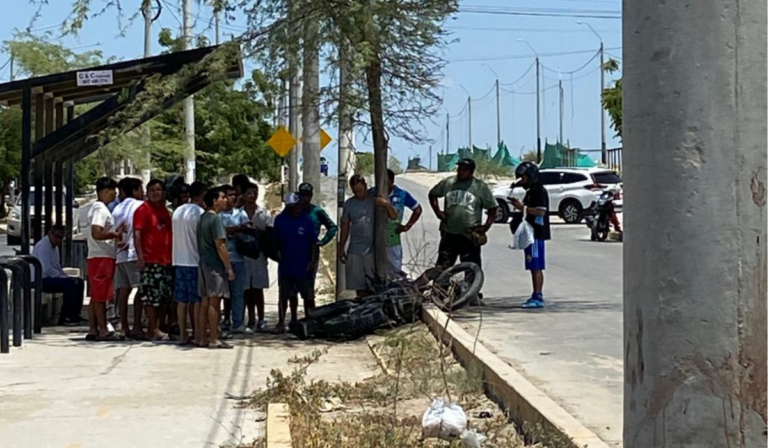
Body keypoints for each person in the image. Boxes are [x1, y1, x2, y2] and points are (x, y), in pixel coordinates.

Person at [428, 158, 498, 274]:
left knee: (471, 267)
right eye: (459, 169)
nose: (461, 172)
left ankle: (470, 286)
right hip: (449, 232)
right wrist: (438, 212)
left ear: (471, 172)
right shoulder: (449, 183)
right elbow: (433, 194)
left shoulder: (480, 187)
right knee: (443, 266)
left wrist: (487, 226)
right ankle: (441, 285)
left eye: (464, 170)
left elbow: (493, 207)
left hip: (470, 234)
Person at [339, 175, 397, 297]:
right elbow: (345, 227)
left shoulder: (375, 198)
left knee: (373, 286)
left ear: (365, 186)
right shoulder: (349, 204)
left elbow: (394, 216)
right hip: (355, 251)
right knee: (359, 288)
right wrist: (341, 247)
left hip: (372, 251)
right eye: (355, 191)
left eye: (360, 190)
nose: (358, 194)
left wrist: (386, 204)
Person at [134, 179, 174, 341]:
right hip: (150, 260)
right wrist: (140, 256)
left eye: (158, 190)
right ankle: (152, 328)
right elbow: (137, 234)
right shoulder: (143, 210)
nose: (155, 193)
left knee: (163, 296)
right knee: (150, 297)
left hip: (166, 260)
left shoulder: (165, 211)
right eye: (152, 190)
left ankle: (158, 326)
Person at [273, 192, 318, 333]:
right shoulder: (280, 220)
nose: (296, 209)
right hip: (286, 265)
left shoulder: (307, 219)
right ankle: (281, 322)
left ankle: (312, 323)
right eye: (293, 206)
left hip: (304, 265)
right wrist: (277, 255)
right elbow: (274, 241)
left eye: (298, 206)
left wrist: (312, 261)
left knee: (308, 296)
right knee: (284, 296)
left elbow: (313, 242)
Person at [86, 177, 124, 341]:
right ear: (106, 192)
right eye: (113, 192)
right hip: (102, 256)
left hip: (98, 256)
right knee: (101, 295)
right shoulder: (100, 210)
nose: (115, 195)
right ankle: (103, 329)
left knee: (96, 295)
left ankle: (94, 328)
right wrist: (113, 234)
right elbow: (96, 232)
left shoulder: (96, 208)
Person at [197, 187, 234, 349]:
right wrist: (228, 267)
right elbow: (220, 245)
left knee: (204, 301)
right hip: (214, 265)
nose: (226, 200)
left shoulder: (202, 218)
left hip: (203, 263)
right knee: (215, 301)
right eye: (223, 197)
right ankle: (213, 338)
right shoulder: (215, 220)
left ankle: (201, 337)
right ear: (214, 201)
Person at [510, 161, 551, 309]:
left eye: (523, 178)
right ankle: (535, 295)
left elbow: (541, 211)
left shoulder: (539, 191)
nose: (521, 181)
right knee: (532, 265)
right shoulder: (531, 191)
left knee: (536, 266)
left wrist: (523, 208)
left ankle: (538, 296)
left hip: (536, 234)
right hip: (530, 234)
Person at [172, 181, 206, 345]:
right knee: (196, 300)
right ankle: (197, 332)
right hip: (195, 260)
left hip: (179, 259)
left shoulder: (178, 211)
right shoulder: (199, 213)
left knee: (182, 300)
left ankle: (183, 333)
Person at [112, 177, 145, 339]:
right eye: (141, 189)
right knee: (141, 289)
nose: (143, 193)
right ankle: (137, 325)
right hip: (135, 254)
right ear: (135, 190)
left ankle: (124, 325)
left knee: (124, 290)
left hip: (120, 254)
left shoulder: (117, 209)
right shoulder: (140, 206)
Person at [31, 225, 85, 326]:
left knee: (79, 282)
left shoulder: (55, 247)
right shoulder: (43, 246)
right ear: (50, 234)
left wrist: (65, 276)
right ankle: (66, 316)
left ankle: (75, 314)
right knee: (69, 284)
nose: (58, 240)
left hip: (50, 277)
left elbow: (57, 266)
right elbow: (46, 269)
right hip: (40, 279)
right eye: (57, 237)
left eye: (61, 238)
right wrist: (64, 278)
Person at [219, 184, 251, 334]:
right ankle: (222, 321)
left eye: (234, 195)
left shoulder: (240, 213)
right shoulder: (217, 215)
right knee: (220, 294)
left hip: (238, 259)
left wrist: (233, 231)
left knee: (238, 293)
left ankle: (238, 322)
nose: (233, 198)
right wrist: (236, 229)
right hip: (220, 259)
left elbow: (248, 228)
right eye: (229, 195)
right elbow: (219, 233)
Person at [241, 183, 272, 331]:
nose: (252, 196)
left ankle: (261, 319)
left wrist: (258, 231)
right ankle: (251, 319)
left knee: (258, 288)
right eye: (249, 193)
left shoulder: (264, 213)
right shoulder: (238, 213)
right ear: (244, 195)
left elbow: (270, 232)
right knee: (247, 289)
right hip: (244, 255)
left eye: (254, 193)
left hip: (259, 255)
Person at [383, 169, 422, 278]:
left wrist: (407, 226)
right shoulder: (373, 193)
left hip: (392, 239)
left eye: (386, 181)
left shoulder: (401, 194)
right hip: (374, 239)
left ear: (392, 181)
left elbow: (417, 209)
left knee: (394, 271)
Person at [297, 182, 337, 287]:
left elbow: (332, 227)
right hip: (294, 249)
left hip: (311, 251)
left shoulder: (317, 211)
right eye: (302, 195)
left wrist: (322, 241)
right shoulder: (293, 210)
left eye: (308, 195)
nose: (305, 198)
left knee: (308, 285)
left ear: (311, 196)